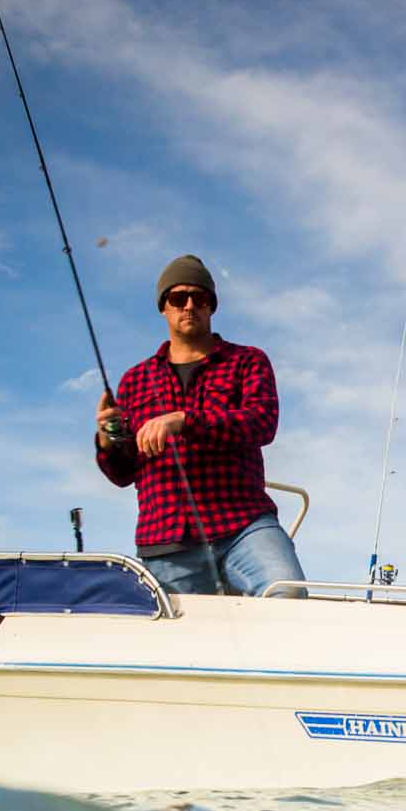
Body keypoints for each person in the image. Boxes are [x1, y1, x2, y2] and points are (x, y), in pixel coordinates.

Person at [94, 254, 306, 596]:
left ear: (211, 306)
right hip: (165, 540)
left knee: (288, 593)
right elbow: (122, 474)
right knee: (176, 632)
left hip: (244, 524)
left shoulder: (247, 360)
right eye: (179, 298)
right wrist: (107, 439)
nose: (189, 305)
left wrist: (184, 420)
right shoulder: (134, 380)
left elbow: (262, 422)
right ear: (164, 307)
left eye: (200, 297)